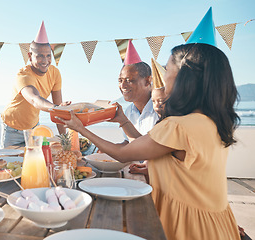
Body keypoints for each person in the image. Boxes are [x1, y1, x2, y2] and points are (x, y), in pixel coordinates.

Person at [57, 43, 240, 239]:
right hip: (217, 222)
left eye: (168, 69)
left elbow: (122, 154)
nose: (164, 76)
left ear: (185, 78)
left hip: (187, 225)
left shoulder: (178, 126)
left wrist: (79, 127)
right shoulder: (213, 122)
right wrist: (124, 122)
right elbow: (150, 146)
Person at [0, 21, 70, 148]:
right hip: (12, 130)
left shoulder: (55, 73)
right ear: (29, 56)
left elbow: (58, 109)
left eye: (48, 56)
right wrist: (57, 108)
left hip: (34, 128)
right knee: (11, 164)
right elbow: (34, 100)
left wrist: (64, 139)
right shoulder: (23, 75)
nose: (45, 61)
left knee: (36, 162)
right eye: (40, 56)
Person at [118, 40, 159, 143]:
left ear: (147, 81)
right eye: (120, 80)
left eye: (129, 80)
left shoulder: (160, 109)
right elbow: (129, 143)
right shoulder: (129, 111)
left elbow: (150, 147)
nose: (123, 85)